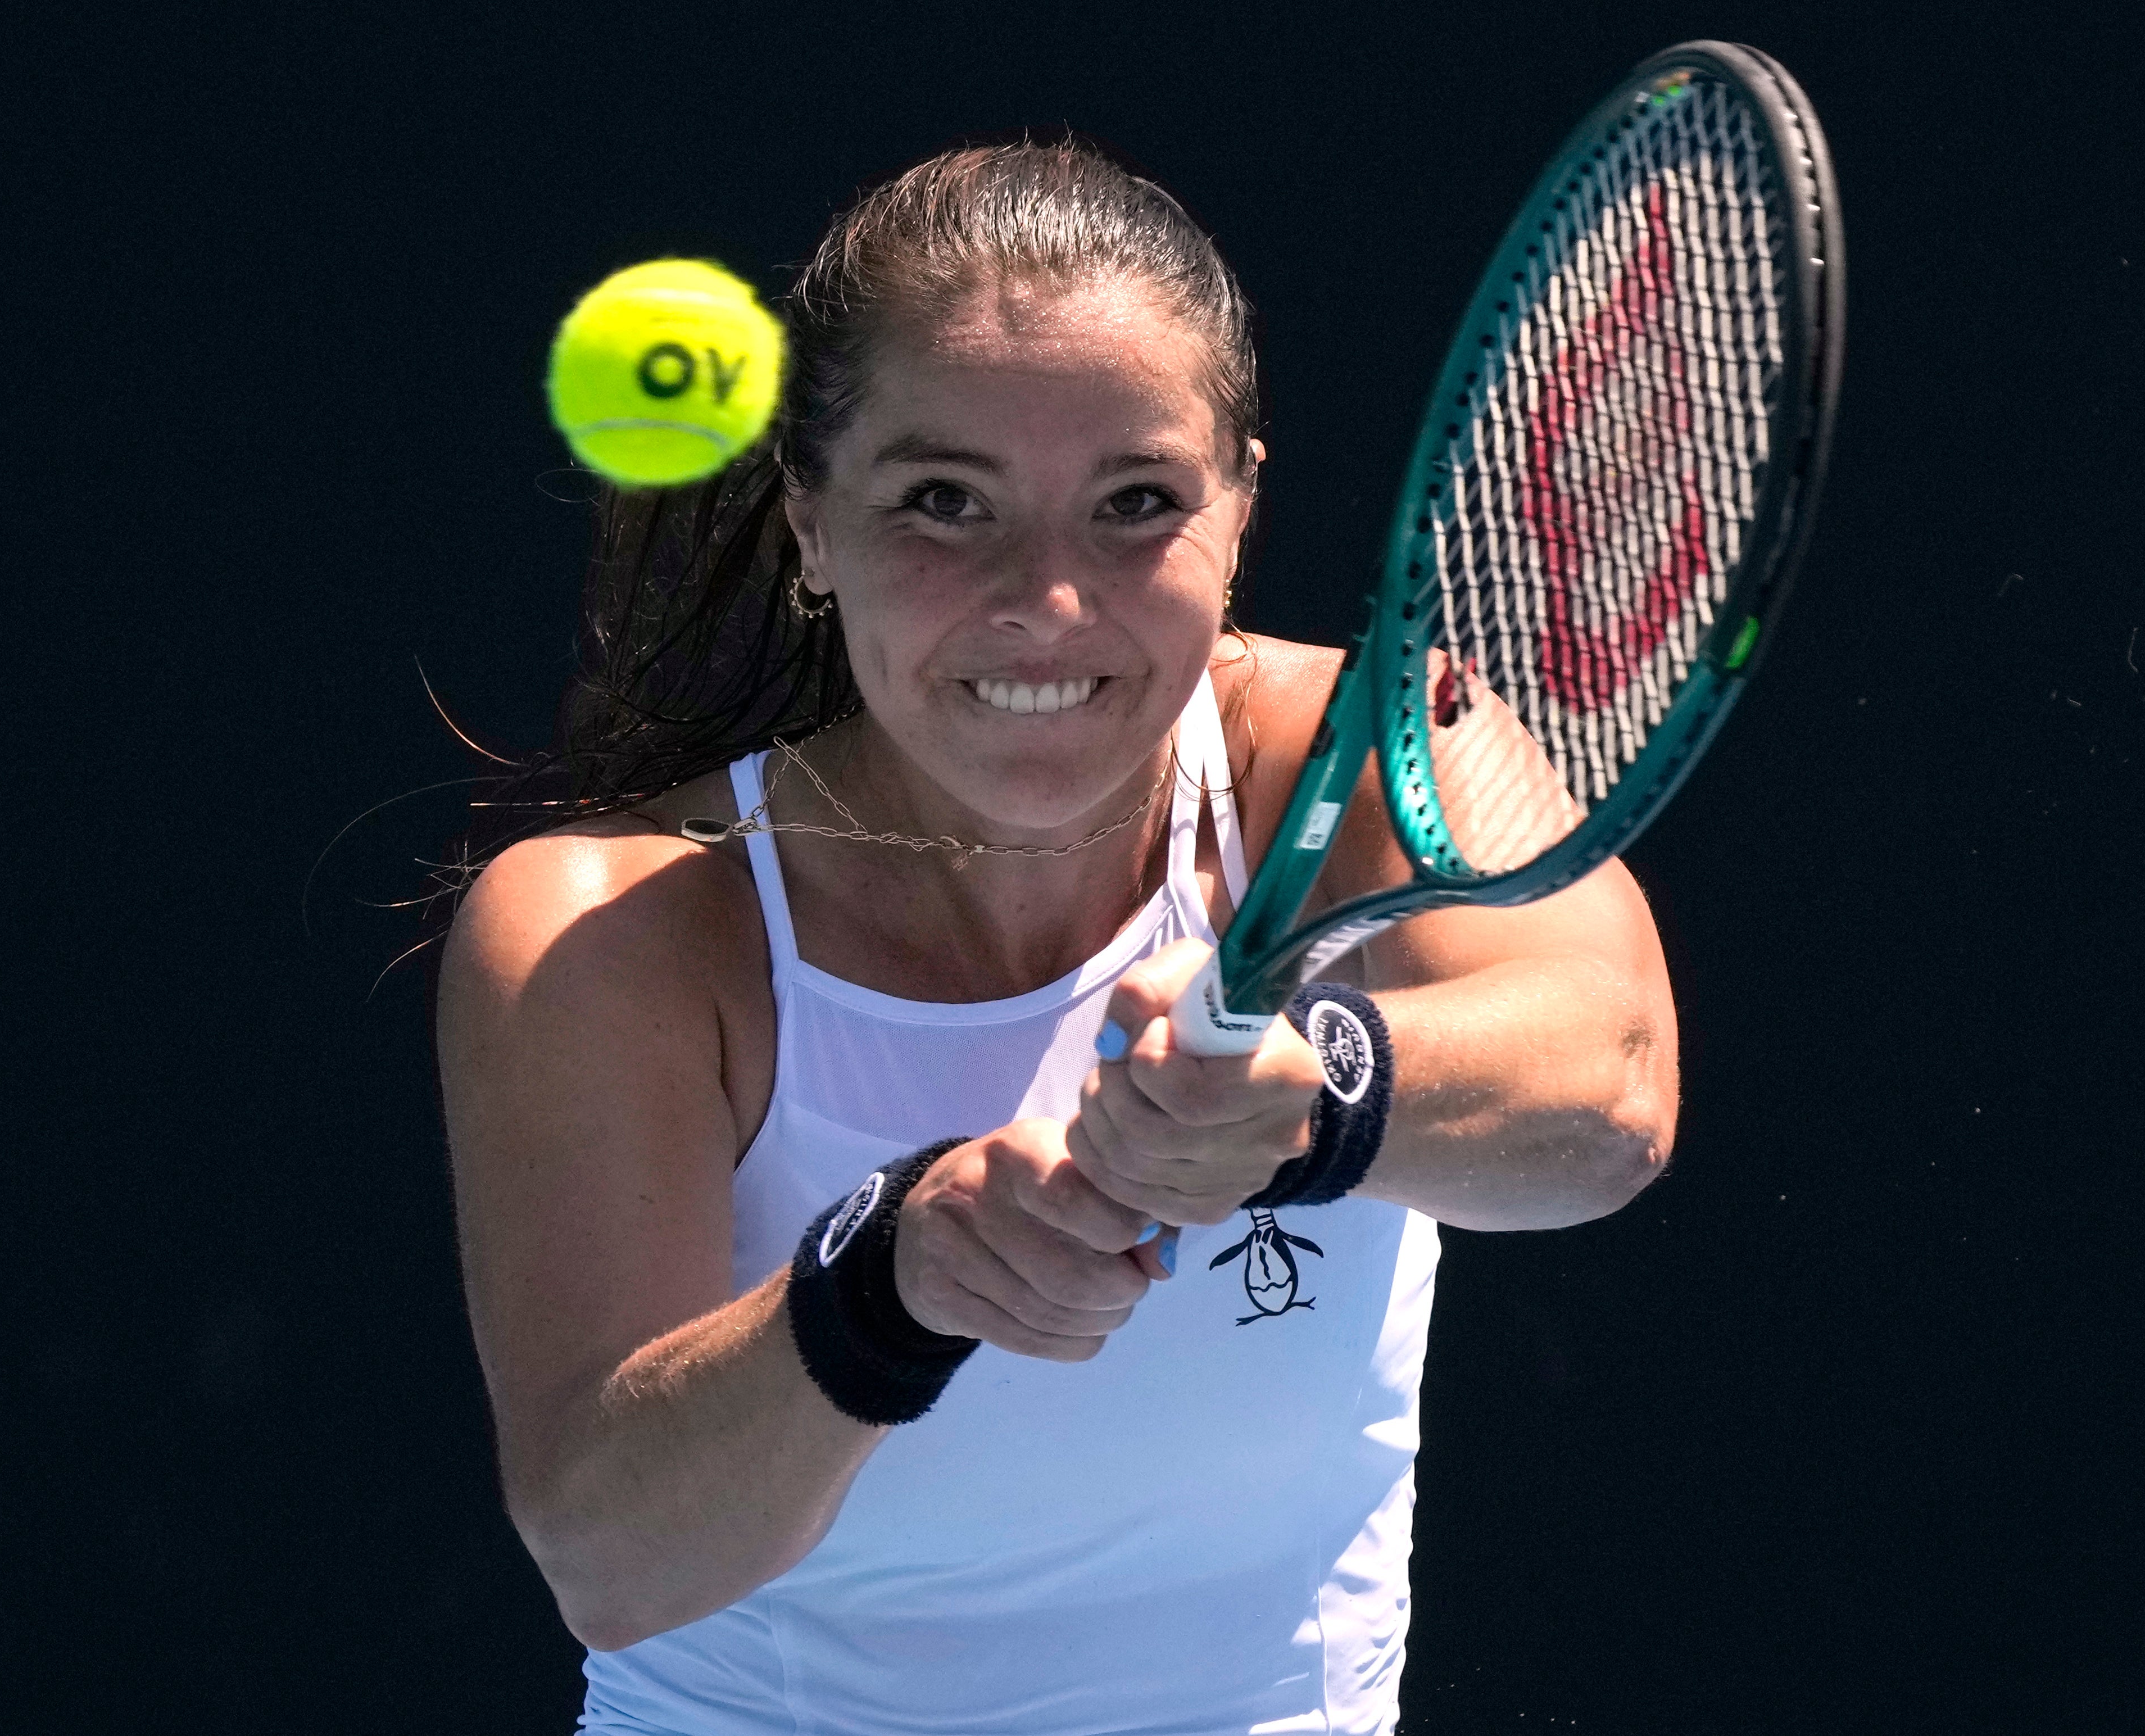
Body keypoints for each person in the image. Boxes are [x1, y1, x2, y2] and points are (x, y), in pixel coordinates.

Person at [436, 138, 1678, 1736]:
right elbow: (614, 1552)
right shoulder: (612, 926)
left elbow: (1617, 1085)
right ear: (811, 522)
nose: (1052, 602)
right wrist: (889, 1281)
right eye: (944, 502)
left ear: (1241, 510)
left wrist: (1319, 1093)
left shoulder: (1369, 747)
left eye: (1137, 505)